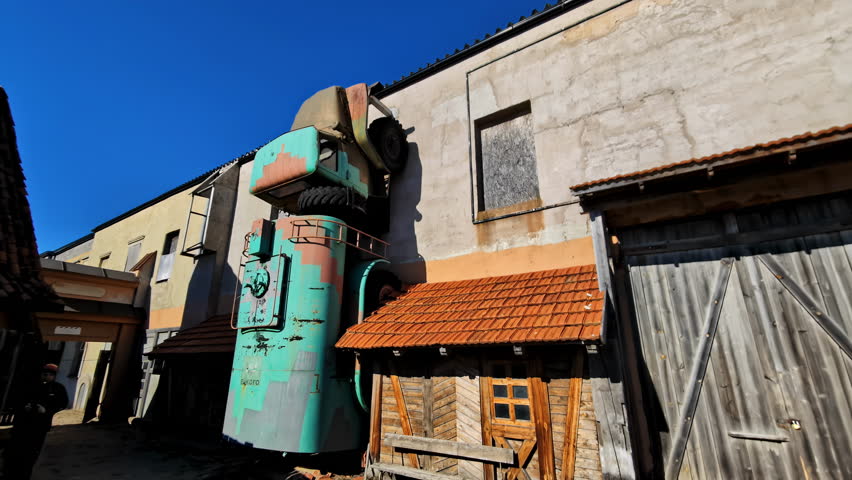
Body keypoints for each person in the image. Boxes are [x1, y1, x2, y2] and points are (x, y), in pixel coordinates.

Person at [2, 363, 68, 480]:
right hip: (22, 424)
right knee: (14, 451)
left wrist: (46, 410)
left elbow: (62, 404)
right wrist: (24, 406)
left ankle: (24, 475)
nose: (46, 376)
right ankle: (8, 473)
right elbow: (16, 399)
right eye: (44, 374)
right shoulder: (30, 385)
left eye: (49, 374)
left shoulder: (58, 388)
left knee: (31, 453)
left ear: (54, 376)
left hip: (39, 426)